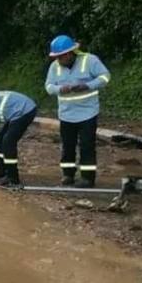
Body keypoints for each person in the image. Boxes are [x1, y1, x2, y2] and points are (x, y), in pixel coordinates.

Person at [44, 35, 111, 188]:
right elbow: (48, 87)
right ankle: (68, 175)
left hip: (88, 112)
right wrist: (60, 89)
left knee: (87, 146)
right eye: (56, 57)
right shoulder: (55, 67)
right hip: (66, 114)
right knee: (68, 146)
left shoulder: (90, 60)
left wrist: (88, 85)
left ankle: (88, 178)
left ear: (69, 53)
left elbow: (105, 77)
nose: (58, 60)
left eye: (60, 56)